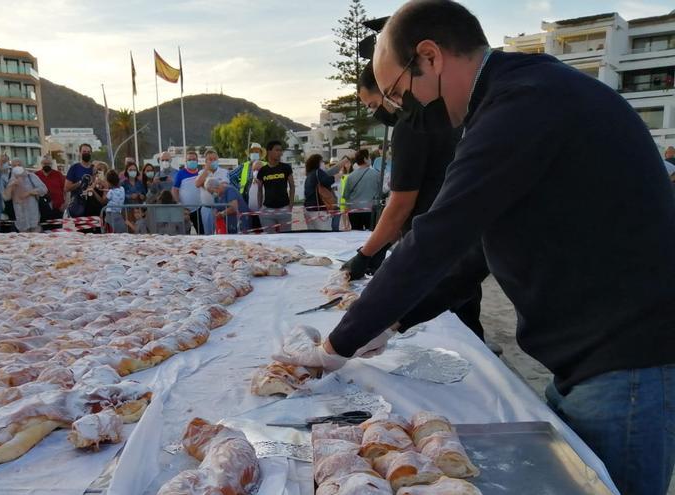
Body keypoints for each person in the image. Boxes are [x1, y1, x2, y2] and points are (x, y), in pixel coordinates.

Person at [276, 2, 675, 494]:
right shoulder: (518, 96)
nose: (406, 110)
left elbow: (439, 234)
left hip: (626, 358)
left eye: (402, 92)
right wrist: (392, 319)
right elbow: (472, 251)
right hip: (589, 355)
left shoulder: (525, 103)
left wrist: (339, 344)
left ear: (430, 57)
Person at [345, 61, 486, 341]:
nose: (377, 113)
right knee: (466, 324)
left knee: (444, 330)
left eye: (374, 105)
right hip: (460, 243)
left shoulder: (410, 126)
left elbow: (401, 204)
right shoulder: (446, 114)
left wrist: (366, 253)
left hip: (434, 246)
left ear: (388, 88)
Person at [256, 140, 295, 233]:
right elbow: (259, 190)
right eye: (277, 150)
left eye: (281, 151)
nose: (280, 153)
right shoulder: (262, 170)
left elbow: (292, 186)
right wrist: (260, 208)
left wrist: (291, 205)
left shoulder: (286, 168)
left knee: (286, 237)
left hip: (284, 209)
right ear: (269, 151)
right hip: (267, 210)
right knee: (269, 239)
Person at [342, 149, 380, 231]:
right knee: (370, 235)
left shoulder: (350, 176)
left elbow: (346, 196)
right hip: (370, 210)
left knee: (356, 235)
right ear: (365, 159)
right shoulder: (376, 174)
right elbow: (382, 191)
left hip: (354, 211)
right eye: (369, 157)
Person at [2, 163, 47, 233]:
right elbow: (6, 197)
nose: (17, 167)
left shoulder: (31, 176)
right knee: (23, 240)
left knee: (36, 239)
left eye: (19, 164)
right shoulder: (12, 179)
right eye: (14, 165)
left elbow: (44, 189)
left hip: (33, 216)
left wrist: (29, 193)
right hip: (21, 218)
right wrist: (10, 186)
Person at [195, 149, 230, 235]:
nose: (213, 161)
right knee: (208, 235)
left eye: (215, 159)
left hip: (220, 209)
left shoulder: (224, 172)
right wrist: (206, 171)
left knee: (221, 235)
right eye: (210, 159)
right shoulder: (202, 172)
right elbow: (197, 183)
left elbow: (223, 186)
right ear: (206, 161)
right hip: (206, 209)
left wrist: (207, 185)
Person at [303, 154, 337, 231]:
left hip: (308, 209)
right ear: (317, 163)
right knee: (325, 235)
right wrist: (335, 177)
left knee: (313, 235)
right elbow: (327, 181)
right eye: (322, 161)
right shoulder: (318, 172)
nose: (323, 163)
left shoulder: (309, 174)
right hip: (319, 210)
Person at [172, 150, 203, 234]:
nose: (192, 161)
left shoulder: (201, 173)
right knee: (185, 234)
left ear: (197, 161)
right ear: (186, 161)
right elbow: (175, 189)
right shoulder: (180, 174)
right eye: (189, 160)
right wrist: (178, 204)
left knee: (202, 233)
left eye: (194, 159)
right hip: (184, 211)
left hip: (199, 209)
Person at [36, 156, 66, 229]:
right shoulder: (36, 175)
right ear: (41, 164)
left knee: (57, 231)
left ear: (52, 164)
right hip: (42, 209)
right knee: (44, 231)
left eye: (49, 163)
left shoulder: (58, 175)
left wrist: (65, 204)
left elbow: (65, 190)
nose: (47, 165)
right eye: (45, 163)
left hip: (58, 209)